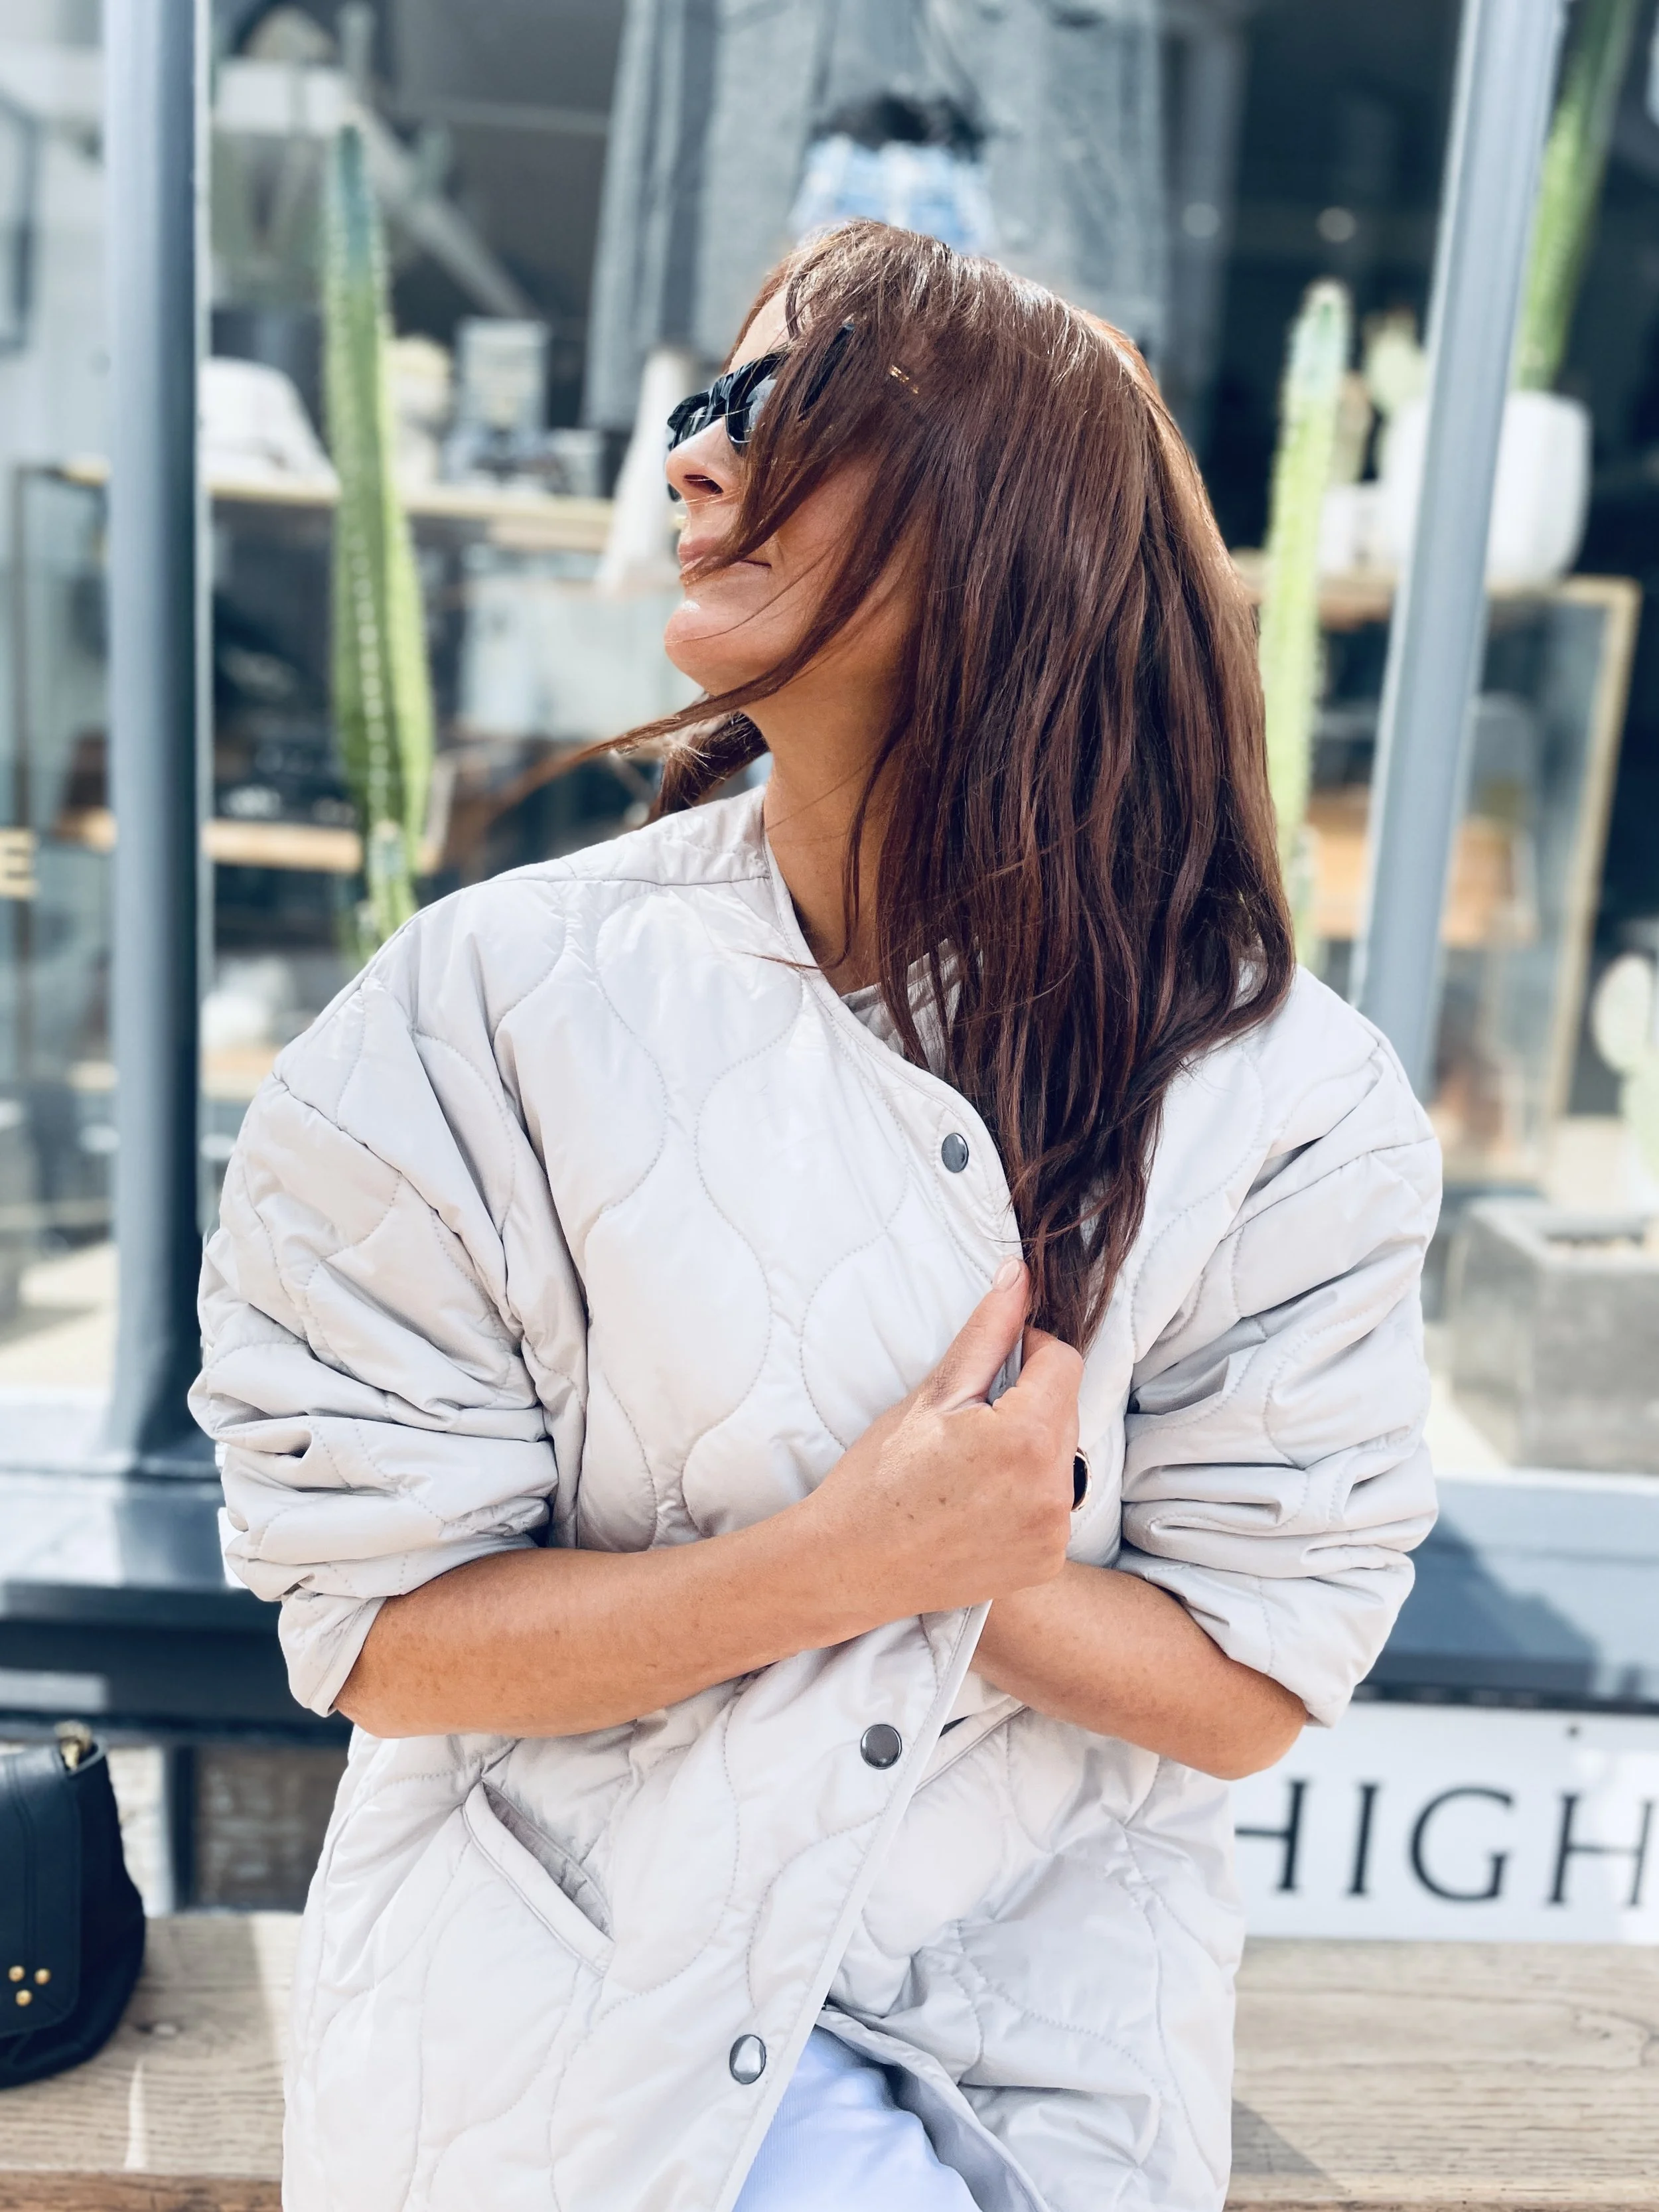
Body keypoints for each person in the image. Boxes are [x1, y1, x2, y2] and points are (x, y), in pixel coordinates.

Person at [194, 221, 1439, 2212]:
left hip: (1029, 2053)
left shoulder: (1285, 1100)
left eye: (783, 405)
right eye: (699, 406)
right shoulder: (476, 1010)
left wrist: (973, 1565)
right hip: (563, 2031)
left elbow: (1245, 1684)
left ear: (1016, 517)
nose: (692, 459)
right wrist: (857, 1559)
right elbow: (379, 1632)